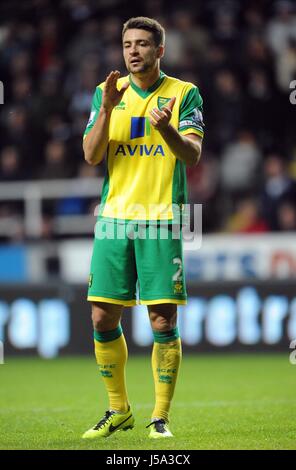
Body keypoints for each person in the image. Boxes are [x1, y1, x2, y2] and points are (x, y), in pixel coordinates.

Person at [82, 16, 204, 440]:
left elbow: (191, 156)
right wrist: (109, 109)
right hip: (113, 218)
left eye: (142, 44)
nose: (133, 51)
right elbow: (92, 155)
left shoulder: (184, 93)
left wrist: (166, 127)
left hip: (160, 219)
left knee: (162, 320)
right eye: (127, 44)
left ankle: (160, 417)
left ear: (160, 51)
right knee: (100, 316)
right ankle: (118, 409)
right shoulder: (104, 93)